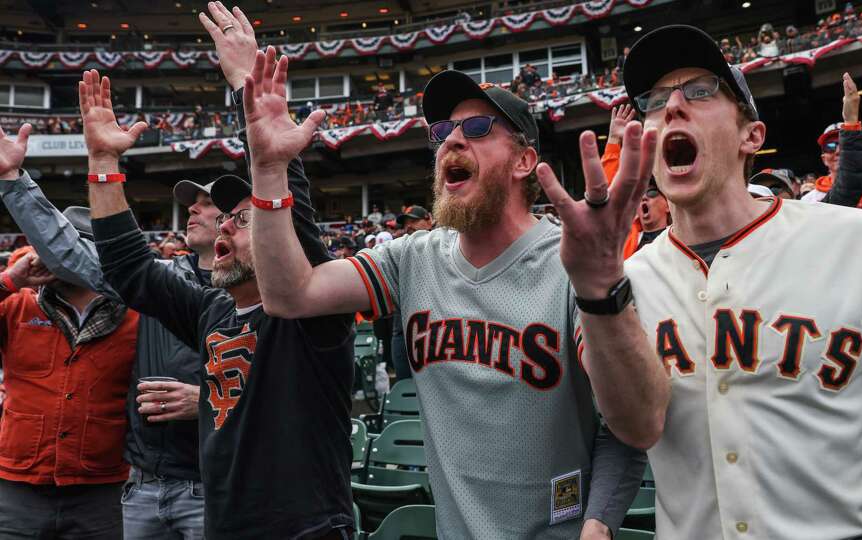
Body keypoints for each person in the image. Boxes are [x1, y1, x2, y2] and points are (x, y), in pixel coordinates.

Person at [240, 38, 669, 536]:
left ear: (524, 162)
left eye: (478, 128)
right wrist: (269, 172)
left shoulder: (571, 263)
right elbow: (290, 294)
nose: (450, 141)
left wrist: (598, 523)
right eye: (442, 130)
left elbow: (626, 425)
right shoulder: (411, 258)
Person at [622, 24, 862, 539]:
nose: (672, 107)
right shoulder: (626, 282)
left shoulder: (858, 240)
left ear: (750, 136)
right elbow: (618, 436)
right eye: (655, 99)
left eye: (699, 91)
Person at [93, 11, 356, 539]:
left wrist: (244, 87)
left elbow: (298, 226)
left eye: (242, 218)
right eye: (226, 219)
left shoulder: (314, 312)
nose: (226, 229)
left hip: (305, 529)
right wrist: (102, 162)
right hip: (225, 525)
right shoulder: (212, 308)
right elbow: (129, 266)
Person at [0, 126, 215, 538]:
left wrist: (205, 400)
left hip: (126, 489)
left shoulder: (142, 309)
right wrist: (8, 279)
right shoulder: (18, 302)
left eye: (210, 205)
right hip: (42, 486)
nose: (192, 210)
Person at [0, 205, 138, 538]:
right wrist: (10, 280)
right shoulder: (18, 303)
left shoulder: (138, 315)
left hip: (101, 488)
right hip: (18, 483)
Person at [601, 104, 670, 257]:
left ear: (669, 206)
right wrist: (613, 139)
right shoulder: (626, 240)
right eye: (640, 196)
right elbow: (607, 196)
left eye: (652, 193)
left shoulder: (683, 236)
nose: (644, 197)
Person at [800, 73, 862, 206]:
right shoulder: (808, 201)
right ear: (823, 159)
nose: (837, 150)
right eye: (830, 146)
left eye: (843, 144)